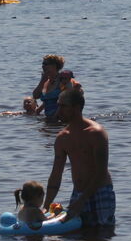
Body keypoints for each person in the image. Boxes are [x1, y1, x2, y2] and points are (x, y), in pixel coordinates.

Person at [43, 87, 115, 226]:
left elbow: (101, 171)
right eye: (58, 106)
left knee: (101, 238)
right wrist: (46, 206)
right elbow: (56, 174)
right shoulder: (62, 138)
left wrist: (81, 201)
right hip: (78, 193)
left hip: (100, 192)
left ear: (76, 107)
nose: (58, 111)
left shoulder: (96, 133)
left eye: (63, 106)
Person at [30, 54, 65, 120]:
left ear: (54, 66)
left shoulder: (63, 80)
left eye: (46, 64)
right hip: (49, 118)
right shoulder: (45, 81)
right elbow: (35, 96)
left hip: (61, 118)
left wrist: (54, 117)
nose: (43, 66)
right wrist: (43, 80)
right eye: (43, 63)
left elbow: (65, 103)